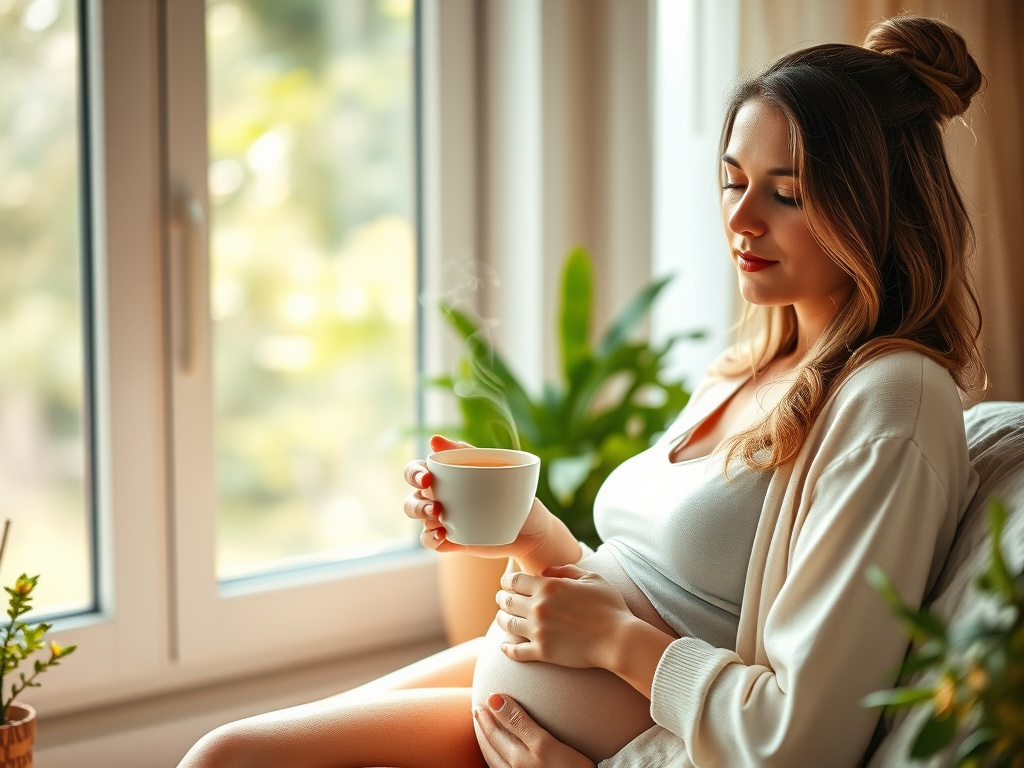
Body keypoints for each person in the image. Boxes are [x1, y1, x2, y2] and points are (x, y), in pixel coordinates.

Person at [178, 13, 986, 768]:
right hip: (539, 673)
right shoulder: (751, 363)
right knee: (224, 752)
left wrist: (614, 646)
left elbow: (803, 737)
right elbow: (655, 591)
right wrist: (528, 534)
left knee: (227, 761)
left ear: (876, 207)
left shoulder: (894, 401)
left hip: (612, 722)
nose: (741, 220)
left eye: (787, 192)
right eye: (733, 180)